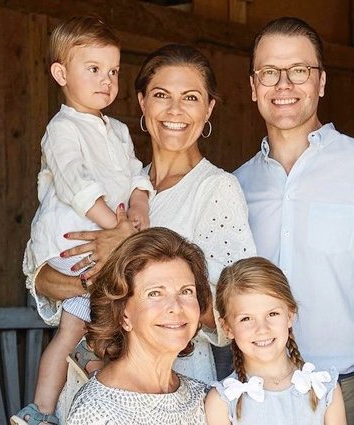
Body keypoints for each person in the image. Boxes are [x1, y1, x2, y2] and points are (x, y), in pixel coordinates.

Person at [25, 43, 256, 419]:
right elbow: (42, 278)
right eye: (161, 95)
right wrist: (91, 283)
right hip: (86, 381)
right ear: (141, 103)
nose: (175, 111)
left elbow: (233, 311)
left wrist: (130, 248)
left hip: (174, 382)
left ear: (209, 109)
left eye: (191, 97)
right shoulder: (115, 183)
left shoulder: (216, 188)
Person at [233, 17, 354, 425]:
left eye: (299, 71)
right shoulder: (235, 187)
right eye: (270, 72)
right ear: (253, 86)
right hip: (258, 397)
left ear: (321, 82)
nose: (284, 85)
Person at [15, 16, 153, 424]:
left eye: (113, 71)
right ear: (61, 73)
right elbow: (76, 183)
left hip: (105, 242)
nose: (106, 81)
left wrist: (140, 202)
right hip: (73, 245)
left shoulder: (119, 131)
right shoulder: (62, 129)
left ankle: (93, 367)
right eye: (93, 69)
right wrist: (116, 226)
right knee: (76, 329)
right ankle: (40, 410)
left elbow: (134, 174)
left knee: (102, 322)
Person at [66, 227, 209, 424]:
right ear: (123, 313)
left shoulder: (204, 398)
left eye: (186, 291)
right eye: (155, 293)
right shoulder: (97, 411)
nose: (176, 307)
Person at [205, 257, 346, 425]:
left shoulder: (324, 389)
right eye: (246, 319)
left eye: (272, 314)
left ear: (290, 315)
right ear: (227, 328)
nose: (262, 329)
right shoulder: (223, 401)